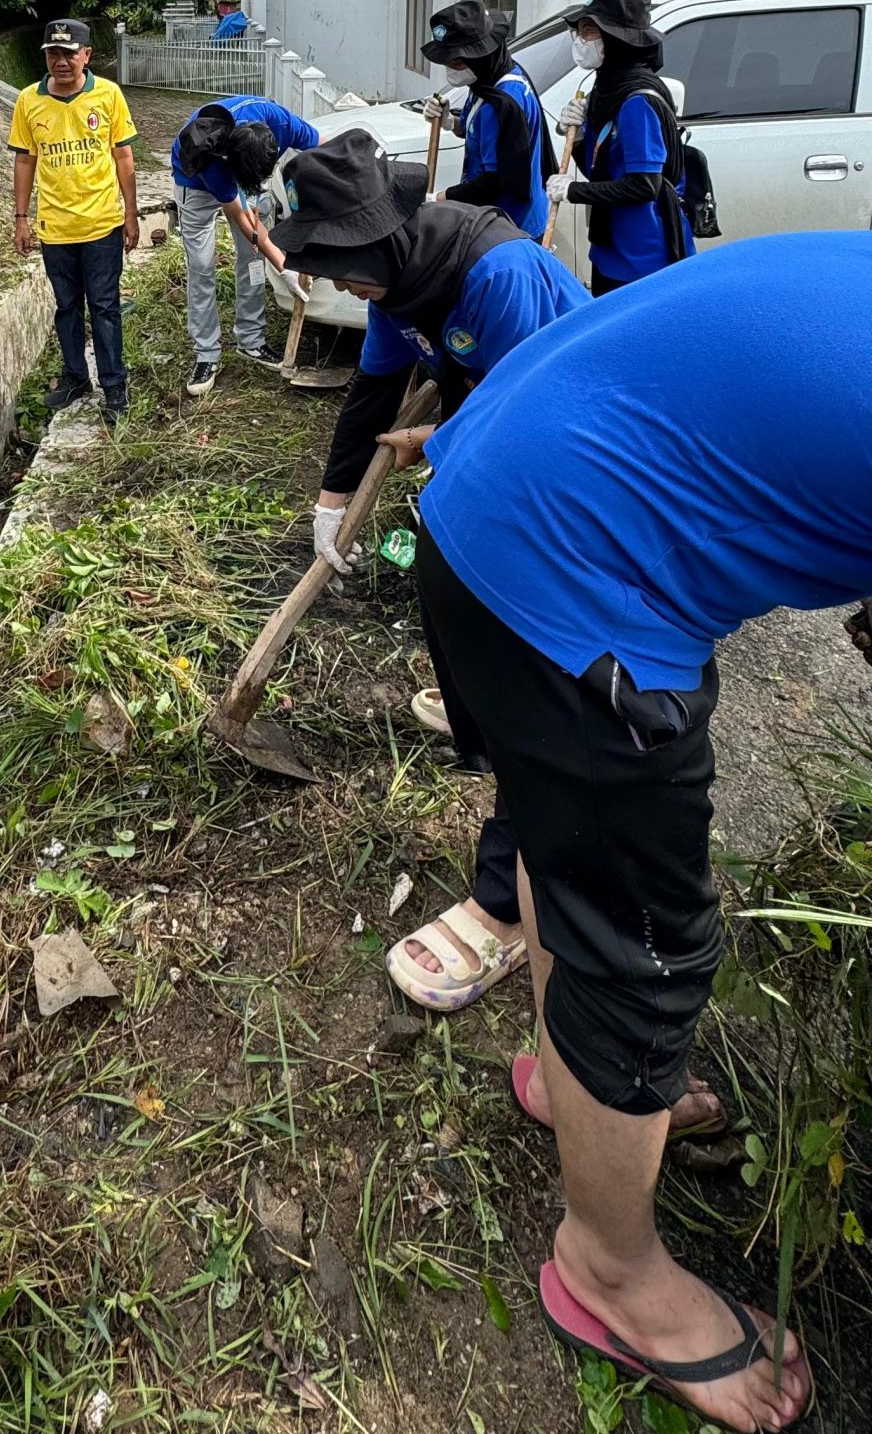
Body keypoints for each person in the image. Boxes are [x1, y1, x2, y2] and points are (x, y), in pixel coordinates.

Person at [404, 237, 871, 1428]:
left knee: (573, 859)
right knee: (647, 949)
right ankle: (609, 1274)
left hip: (500, 487)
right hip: (563, 563)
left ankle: (570, 1085)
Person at [250, 128, 588, 1013]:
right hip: (498, 427)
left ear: (376, 239)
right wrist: (330, 501)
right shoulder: (394, 287)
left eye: (340, 270)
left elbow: (529, 414)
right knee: (441, 566)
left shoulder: (495, 275)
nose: (336, 287)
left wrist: (439, 438)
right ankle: (473, 711)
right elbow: (372, 391)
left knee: (521, 635)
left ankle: (505, 896)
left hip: (568, 447)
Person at [9, 18, 138, 421]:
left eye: (69, 53)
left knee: (105, 306)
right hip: (55, 228)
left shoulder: (108, 95)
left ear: (86, 55)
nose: (61, 61)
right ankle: (76, 377)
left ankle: (114, 386)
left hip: (102, 224)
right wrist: (21, 218)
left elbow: (123, 157)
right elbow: (25, 160)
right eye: (53, 53)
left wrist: (130, 214)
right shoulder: (29, 101)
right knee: (67, 306)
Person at [170, 95, 319, 395]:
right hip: (194, 183)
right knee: (202, 267)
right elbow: (244, 220)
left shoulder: (283, 124)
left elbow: (323, 144)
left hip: (244, 170)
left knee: (252, 260)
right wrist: (285, 268)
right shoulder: (212, 160)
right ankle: (206, 354)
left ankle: (251, 341)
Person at [549, 0, 691, 293]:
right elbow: (601, 171)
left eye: (589, 31)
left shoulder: (637, 102)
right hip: (611, 248)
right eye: (579, 31)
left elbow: (644, 186)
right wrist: (580, 139)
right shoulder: (605, 90)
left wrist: (574, 191)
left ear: (616, 39)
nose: (580, 41)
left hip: (642, 256)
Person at [422, 0, 555, 236]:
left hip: (510, 223)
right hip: (494, 217)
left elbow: (494, 180)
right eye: (447, 62)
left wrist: (438, 199)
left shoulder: (503, 102)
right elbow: (478, 130)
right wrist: (449, 121)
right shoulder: (486, 82)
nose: (450, 70)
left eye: (457, 63)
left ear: (481, 55)